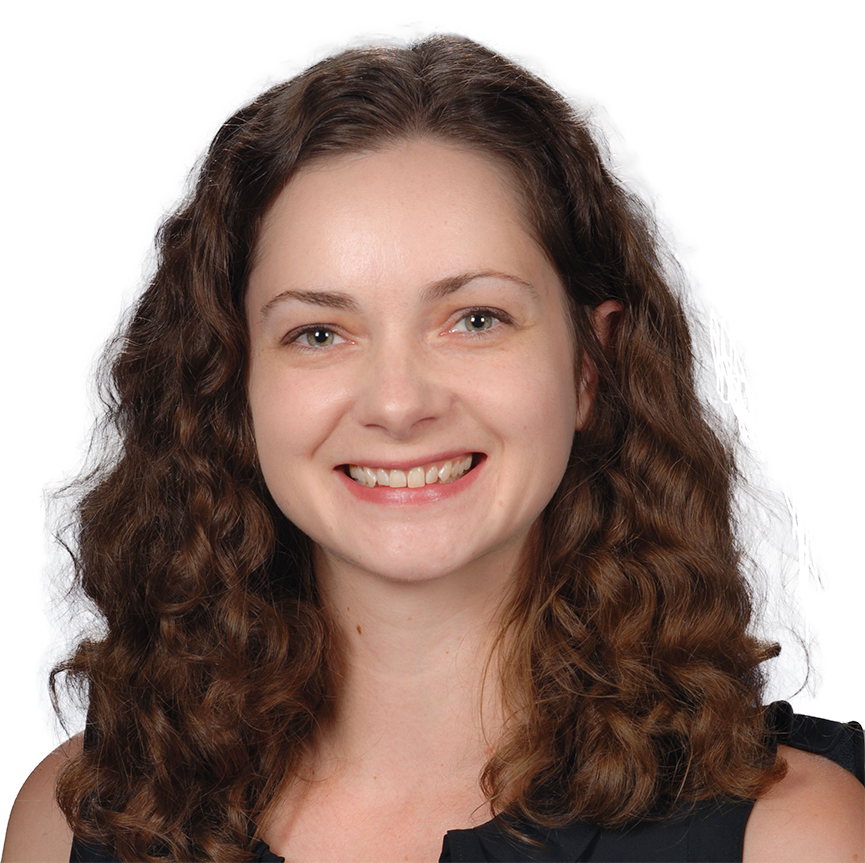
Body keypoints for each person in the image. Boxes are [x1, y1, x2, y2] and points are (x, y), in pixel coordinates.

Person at [3, 35, 864, 863]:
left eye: (476, 319)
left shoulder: (799, 837)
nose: (397, 402)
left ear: (590, 365)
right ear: (231, 383)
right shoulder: (77, 818)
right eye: (317, 332)